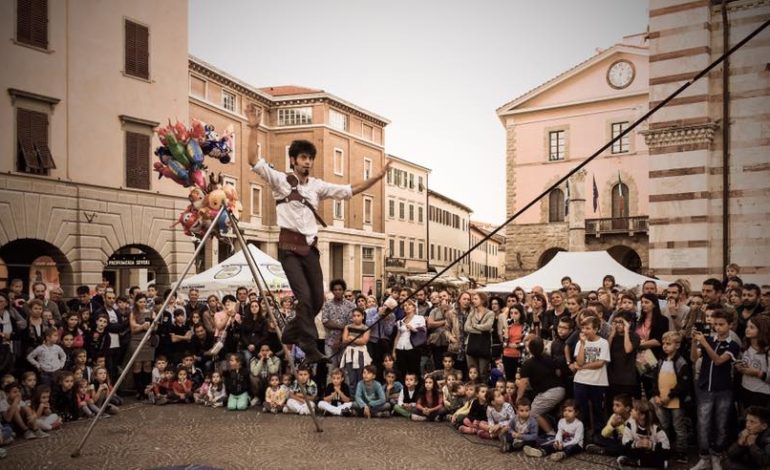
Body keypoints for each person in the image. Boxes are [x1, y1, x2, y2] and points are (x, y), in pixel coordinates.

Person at [247, 104, 389, 363]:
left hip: (311, 249)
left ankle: (290, 332)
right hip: (289, 248)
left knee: (317, 300)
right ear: (293, 160)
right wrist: (254, 127)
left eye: (310, 159)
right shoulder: (281, 181)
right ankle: (309, 345)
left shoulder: (317, 186)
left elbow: (349, 190)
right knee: (303, 297)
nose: (308, 162)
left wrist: (377, 178)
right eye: (303, 158)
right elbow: (253, 162)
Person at [691, 309, 741, 470]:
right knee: (703, 424)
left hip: (724, 390)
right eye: (715, 324)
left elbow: (719, 361)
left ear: (730, 325)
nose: (717, 328)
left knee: (721, 424)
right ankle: (704, 457)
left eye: (721, 325)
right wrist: (694, 341)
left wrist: (705, 343)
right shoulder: (708, 340)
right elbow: (694, 358)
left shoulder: (733, 345)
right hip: (705, 388)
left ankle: (716, 456)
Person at [651, 331, 692, 464]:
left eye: (669, 344)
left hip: (676, 401)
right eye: (664, 343)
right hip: (661, 400)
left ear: (678, 345)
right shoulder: (662, 359)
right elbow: (655, 378)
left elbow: (683, 384)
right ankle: (665, 448)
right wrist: (656, 394)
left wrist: (670, 396)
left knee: (679, 427)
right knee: (664, 425)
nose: (665, 346)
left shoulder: (681, 362)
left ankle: (681, 452)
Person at [516, 336, 566, 434]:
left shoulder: (528, 364)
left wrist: (518, 398)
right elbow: (558, 372)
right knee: (540, 411)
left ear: (529, 349)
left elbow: (523, 383)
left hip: (549, 392)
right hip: (560, 389)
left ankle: (551, 434)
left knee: (533, 413)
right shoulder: (549, 358)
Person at [573, 315, 611, 441]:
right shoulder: (580, 342)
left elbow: (600, 363)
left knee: (597, 409)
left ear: (595, 329)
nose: (584, 331)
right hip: (580, 381)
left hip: (598, 382)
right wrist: (583, 344)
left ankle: (598, 434)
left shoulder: (603, 342)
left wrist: (583, 367)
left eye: (588, 328)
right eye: (583, 328)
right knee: (581, 408)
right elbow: (578, 361)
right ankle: (582, 433)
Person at [617, 399, 670, 469]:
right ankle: (640, 462)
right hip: (637, 451)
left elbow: (666, 449)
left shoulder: (656, 428)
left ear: (642, 416)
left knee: (662, 457)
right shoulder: (630, 423)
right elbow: (625, 441)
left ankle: (636, 462)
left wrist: (651, 445)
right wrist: (636, 444)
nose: (631, 410)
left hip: (651, 453)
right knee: (620, 449)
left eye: (634, 409)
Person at [734, 315, 770, 410]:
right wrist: (740, 366)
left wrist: (756, 373)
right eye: (747, 326)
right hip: (745, 389)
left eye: (752, 327)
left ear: (762, 330)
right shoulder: (746, 346)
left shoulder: (768, 351)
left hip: (762, 394)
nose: (747, 329)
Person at [128, 293, 155, 399]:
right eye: (140, 302)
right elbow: (133, 328)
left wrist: (150, 327)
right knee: (137, 365)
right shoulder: (133, 313)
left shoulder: (151, 312)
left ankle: (146, 390)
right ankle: (139, 391)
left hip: (148, 342)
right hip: (136, 341)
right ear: (136, 302)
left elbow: (155, 325)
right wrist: (143, 326)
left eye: (144, 301)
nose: (143, 304)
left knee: (148, 364)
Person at [464, 292, 495, 380]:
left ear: (482, 300)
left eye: (475, 299)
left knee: (482, 372)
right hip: (471, 344)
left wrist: (475, 326)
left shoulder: (490, 313)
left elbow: (488, 326)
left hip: (484, 345)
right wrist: (481, 331)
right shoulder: (472, 313)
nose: (473, 301)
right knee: (472, 371)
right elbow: (466, 327)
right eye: (473, 299)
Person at [321, 279, 355, 359]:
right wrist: (342, 327)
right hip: (330, 343)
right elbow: (325, 322)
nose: (338, 292)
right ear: (332, 291)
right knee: (331, 368)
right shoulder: (327, 305)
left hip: (345, 342)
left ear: (343, 291)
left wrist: (340, 339)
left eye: (340, 289)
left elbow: (351, 325)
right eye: (335, 290)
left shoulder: (351, 306)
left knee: (344, 368)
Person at [339, 307, 371, 393]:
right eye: (354, 316)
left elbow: (364, 341)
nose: (356, 317)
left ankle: (360, 395)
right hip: (349, 353)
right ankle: (352, 396)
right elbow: (344, 340)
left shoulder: (366, 328)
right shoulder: (348, 327)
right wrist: (355, 340)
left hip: (360, 353)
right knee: (351, 376)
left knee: (360, 375)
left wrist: (352, 338)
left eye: (358, 315)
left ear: (363, 316)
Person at [392, 299, 426, 377]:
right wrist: (394, 351)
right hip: (400, 348)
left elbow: (423, 332)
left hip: (413, 348)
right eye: (405, 305)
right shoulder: (400, 321)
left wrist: (413, 329)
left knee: (414, 371)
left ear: (414, 307)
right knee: (401, 371)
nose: (407, 307)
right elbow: (397, 337)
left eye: (409, 305)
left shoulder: (420, 318)